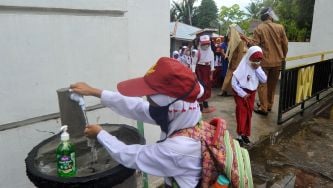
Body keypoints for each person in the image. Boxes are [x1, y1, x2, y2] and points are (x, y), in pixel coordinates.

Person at [70, 57, 204, 187]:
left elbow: (131, 155)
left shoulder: (179, 149)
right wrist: (95, 92)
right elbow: (139, 107)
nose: (148, 101)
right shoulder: (187, 112)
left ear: (170, 106)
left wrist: (101, 134)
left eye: (151, 99)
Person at [252, 7, 288, 116]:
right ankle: (269, 105)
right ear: (269, 16)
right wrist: (283, 57)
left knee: (263, 85)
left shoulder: (258, 29)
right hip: (277, 62)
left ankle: (263, 108)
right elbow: (285, 45)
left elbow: (255, 46)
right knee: (272, 85)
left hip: (264, 62)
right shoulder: (280, 27)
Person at [231, 46, 267, 146]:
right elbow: (234, 83)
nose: (256, 62)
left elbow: (264, 80)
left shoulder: (257, 68)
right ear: (249, 58)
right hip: (241, 94)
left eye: (259, 60)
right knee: (241, 113)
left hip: (251, 94)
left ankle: (245, 134)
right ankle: (239, 135)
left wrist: (257, 68)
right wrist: (242, 93)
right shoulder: (242, 68)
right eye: (254, 60)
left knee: (248, 114)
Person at [218, 24, 247, 97]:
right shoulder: (232, 41)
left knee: (232, 77)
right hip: (231, 61)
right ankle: (224, 90)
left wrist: (238, 64)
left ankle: (228, 91)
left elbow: (240, 54)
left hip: (236, 62)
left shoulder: (240, 42)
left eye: (230, 31)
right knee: (228, 77)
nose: (229, 33)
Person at [196, 35, 215, 113]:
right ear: (200, 44)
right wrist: (194, 73)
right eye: (204, 44)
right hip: (199, 69)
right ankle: (200, 106)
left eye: (207, 44)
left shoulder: (211, 52)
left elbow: (212, 64)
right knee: (200, 86)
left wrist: (211, 74)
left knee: (207, 87)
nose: (205, 46)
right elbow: (193, 63)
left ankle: (206, 104)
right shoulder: (197, 52)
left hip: (207, 70)